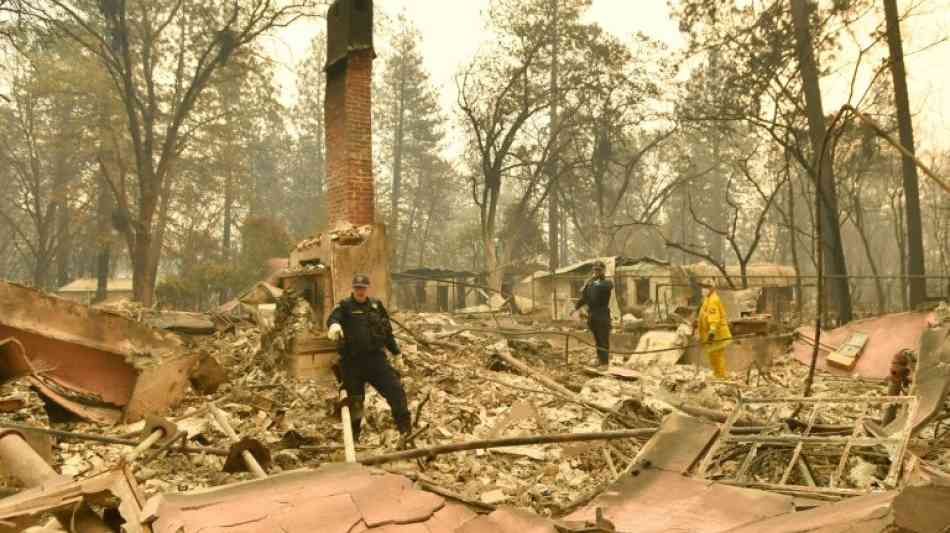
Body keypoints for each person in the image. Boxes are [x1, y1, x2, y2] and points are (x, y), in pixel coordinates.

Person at [327, 273, 411, 442]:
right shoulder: (344, 306)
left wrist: (396, 353)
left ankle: (406, 432)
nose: (360, 291)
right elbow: (332, 318)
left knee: (396, 391)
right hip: (352, 363)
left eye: (363, 288)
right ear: (353, 288)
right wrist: (334, 325)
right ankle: (354, 439)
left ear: (367, 288)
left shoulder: (376, 305)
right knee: (355, 403)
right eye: (357, 288)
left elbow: (386, 332)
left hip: (376, 361)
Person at [571, 260, 614, 366]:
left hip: (602, 314)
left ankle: (605, 363)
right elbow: (584, 298)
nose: (597, 272)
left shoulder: (606, 283)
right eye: (595, 270)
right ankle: (600, 360)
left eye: (599, 270)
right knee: (597, 340)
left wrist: (593, 283)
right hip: (592, 315)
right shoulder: (590, 283)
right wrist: (576, 308)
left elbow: (607, 286)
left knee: (603, 339)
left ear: (603, 270)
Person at [697, 282, 732, 378]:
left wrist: (712, 332)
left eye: (705, 288)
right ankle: (717, 374)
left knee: (717, 356)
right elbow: (705, 314)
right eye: (702, 288)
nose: (702, 290)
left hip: (717, 333)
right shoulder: (707, 299)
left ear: (711, 289)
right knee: (713, 355)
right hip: (713, 333)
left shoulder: (713, 300)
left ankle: (720, 375)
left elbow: (714, 318)